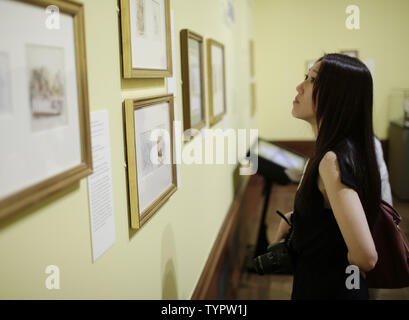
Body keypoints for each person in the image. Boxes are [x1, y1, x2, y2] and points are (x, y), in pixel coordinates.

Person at [274, 53, 383, 300]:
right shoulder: (351, 148)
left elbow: (366, 256)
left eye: (311, 80)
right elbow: (333, 216)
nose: (299, 87)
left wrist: (353, 262)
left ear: (337, 97)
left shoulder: (331, 160)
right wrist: (297, 218)